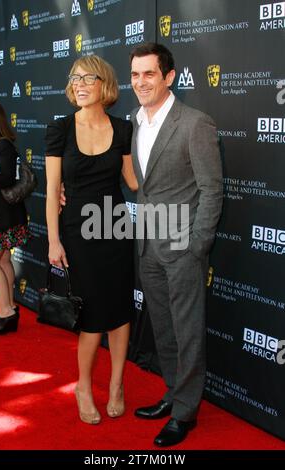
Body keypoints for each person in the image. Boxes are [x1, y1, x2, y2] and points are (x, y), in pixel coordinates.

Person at [129, 43, 223, 447]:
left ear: (169, 77)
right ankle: (173, 392)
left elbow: (212, 189)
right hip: (147, 245)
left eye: (149, 74)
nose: (140, 82)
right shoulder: (135, 122)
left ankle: (185, 412)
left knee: (186, 330)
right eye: (135, 74)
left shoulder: (194, 123)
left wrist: (197, 245)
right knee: (164, 328)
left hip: (183, 248)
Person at [45, 55, 138, 425]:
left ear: (105, 85)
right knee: (92, 317)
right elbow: (53, 191)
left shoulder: (124, 129)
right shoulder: (60, 129)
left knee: (119, 311)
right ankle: (84, 386)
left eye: (88, 78)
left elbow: (133, 182)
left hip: (114, 229)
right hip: (77, 234)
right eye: (74, 78)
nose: (79, 84)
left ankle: (116, 384)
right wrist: (53, 241)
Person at [0, 102, 31, 334]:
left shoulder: (2, 145)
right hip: (0, 215)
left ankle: (6, 312)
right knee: (2, 261)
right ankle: (10, 306)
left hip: (2, 217)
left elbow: (4, 178)